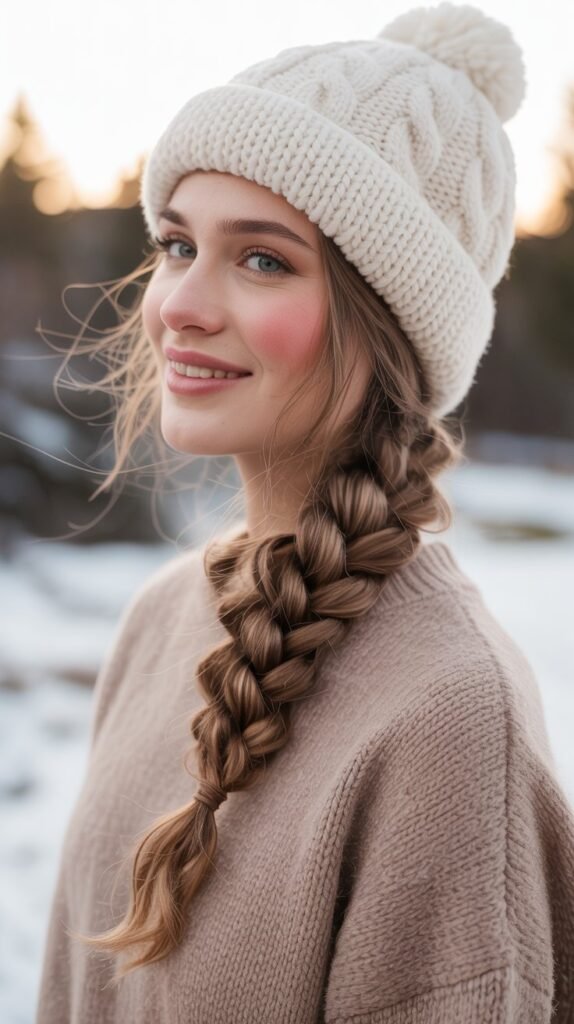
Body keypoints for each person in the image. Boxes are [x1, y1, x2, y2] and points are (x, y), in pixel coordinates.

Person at [36, 3, 574, 1022]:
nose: (180, 304)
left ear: (391, 329)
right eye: (175, 243)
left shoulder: (453, 724)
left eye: (263, 258)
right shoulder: (159, 620)